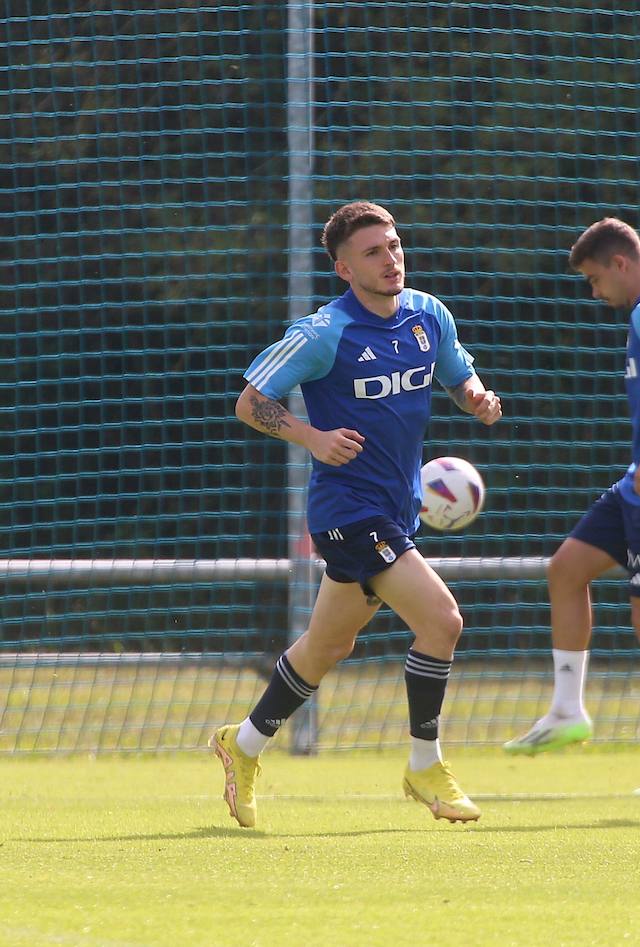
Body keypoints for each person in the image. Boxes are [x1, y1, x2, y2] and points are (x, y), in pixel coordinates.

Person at [210, 201, 502, 827]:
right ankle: (425, 763)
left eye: (394, 246)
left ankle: (244, 744)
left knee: (328, 644)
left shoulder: (428, 315)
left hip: (397, 510)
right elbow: (249, 401)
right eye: (373, 252)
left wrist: (475, 398)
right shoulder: (324, 333)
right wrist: (312, 437)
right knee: (443, 620)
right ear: (344, 268)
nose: (390, 259)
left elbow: (457, 376)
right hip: (347, 511)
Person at [503, 218, 640, 796]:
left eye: (596, 279)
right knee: (567, 569)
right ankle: (568, 710)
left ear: (621, 263)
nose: (595, 293)